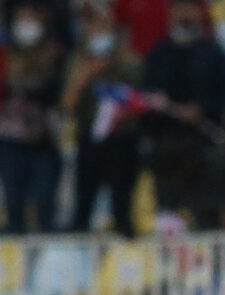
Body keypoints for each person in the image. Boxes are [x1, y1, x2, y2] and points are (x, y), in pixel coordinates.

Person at [141, 0, 225, 230]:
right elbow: (145, 97)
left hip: (204, 145)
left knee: (207, 219)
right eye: (179, 7)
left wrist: (201, 109)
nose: (184, 13)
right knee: (168, 220)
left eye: (190, 7)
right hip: (167, 149)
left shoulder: (213, 53)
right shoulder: (158, 54)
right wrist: (166, 109)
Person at [63, 1, 146, 235]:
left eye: (103, 25)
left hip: (123, 138)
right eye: (92, 25)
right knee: (84, 203)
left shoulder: (130, 59)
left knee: (122, 205)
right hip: (89, 137)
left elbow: (139, 99)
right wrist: (84, 77)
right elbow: (66, 105)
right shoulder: (77, 61)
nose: (98, 31)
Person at [0, 1, 68, 233]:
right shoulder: (6, 55)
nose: (27, 24)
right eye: (23, 18)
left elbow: (58, 93)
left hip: (43, 139)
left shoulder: (55, 53)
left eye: (32, 19)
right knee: (14, 201)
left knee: (44, 203)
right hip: (10, 139)